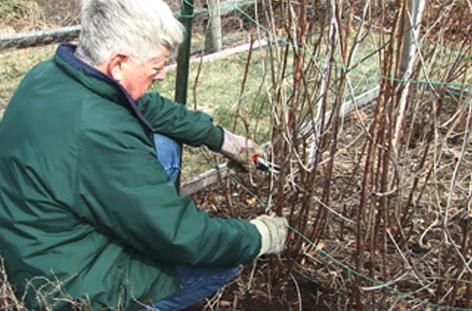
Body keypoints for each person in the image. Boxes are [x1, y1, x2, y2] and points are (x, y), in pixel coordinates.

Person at [0, 0, 289, 310]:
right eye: (156, 65)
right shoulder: (101, 133)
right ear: (119, 63)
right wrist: (258, 236)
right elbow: (180, 236)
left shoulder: (51, 74)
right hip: (68, 286)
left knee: (163, 145)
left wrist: (224, 140)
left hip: (33, 240)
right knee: (219, 263)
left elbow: (147, 108)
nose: (163, 74)